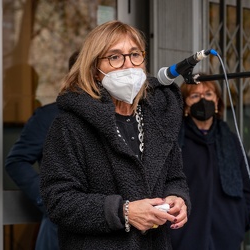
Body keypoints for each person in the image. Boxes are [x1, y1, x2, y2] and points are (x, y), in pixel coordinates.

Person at [39, 20, 190, 250]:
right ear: (94, 70)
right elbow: (58, 201)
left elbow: (175, 177)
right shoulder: (69, 126)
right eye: (115, 57)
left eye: (135, 54)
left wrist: (177, 198)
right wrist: (124, 212)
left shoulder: (158, 119)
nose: (128, 65)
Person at [5, 50, 79, 250]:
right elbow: (17, 161)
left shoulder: (118, 118)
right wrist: (48, 198)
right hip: (61, 231)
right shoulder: (50, 116)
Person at [171, 78, 250, 250]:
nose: (203, 100)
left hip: (227, 234)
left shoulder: (230, 140)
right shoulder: (175, 141)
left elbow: (247, 183)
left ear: (217, 101)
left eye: (208, 94)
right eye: (195, 95)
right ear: (185, 104)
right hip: (185, 235)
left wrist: (242, 217)